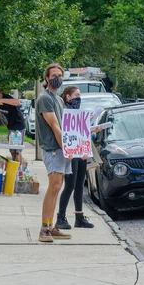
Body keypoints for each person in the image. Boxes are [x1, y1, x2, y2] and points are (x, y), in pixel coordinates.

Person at [35, 63, 72, 243]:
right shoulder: (45, 98)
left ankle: (51, 226)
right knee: (54, 186)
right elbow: (55, 125)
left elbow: (66, 125)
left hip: (61, 148)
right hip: (53, 149)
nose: (57, 77)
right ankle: (44, 229)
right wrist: (66, 147)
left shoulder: (57, 99)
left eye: (60, 75)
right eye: (54, 75)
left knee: (57, 187)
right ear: (47, 78)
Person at [56, 86, 95, 230]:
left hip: (81, 152)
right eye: (77, 95)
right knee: (70, 185)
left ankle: (79, 217)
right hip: (70, 153)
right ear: (68, 96)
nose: (79, 97)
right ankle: (61, 217)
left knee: (79, 185)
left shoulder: (79, 113)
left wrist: (91, 128)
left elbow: (82, 132)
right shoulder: (63, 112)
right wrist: (66, 150)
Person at [0, 83, 26, 164]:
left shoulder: (7, 98)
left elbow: (17, 102)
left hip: (19, 126)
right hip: (10, 127)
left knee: (17, 151)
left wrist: (1, 100)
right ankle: (18, 167)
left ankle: (18, 172)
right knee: (12, 151)